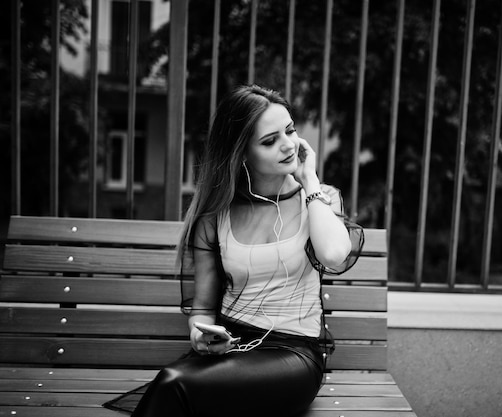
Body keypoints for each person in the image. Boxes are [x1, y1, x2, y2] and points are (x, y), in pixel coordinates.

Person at [126, 85, 361, 417]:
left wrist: (309, 180)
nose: (288, 145)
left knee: (172, 385)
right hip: (232, 349)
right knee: (175, 387)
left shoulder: (319, 200)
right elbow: (203, 309)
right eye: (269, 141)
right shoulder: (215, 216)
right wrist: (200, 336)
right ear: (241, 153)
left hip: (293, 353)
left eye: (291, 131)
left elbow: (335, 255)